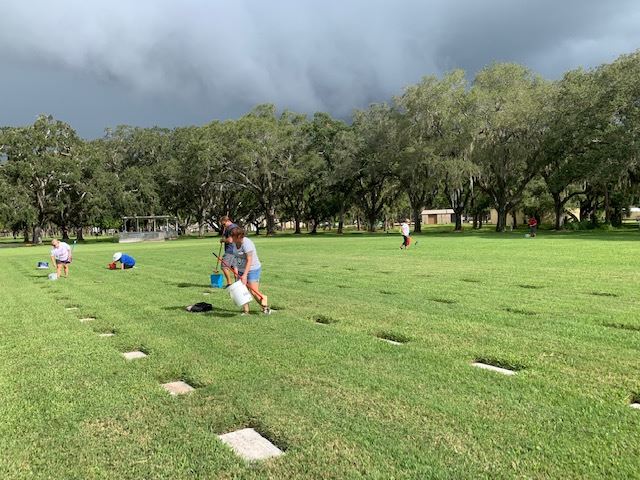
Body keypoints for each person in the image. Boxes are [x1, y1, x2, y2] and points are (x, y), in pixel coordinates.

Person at [230, 227, 270, 315]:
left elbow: (249, 260)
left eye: (233, 236)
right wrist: (236, 271)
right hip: (240, 269)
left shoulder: (247, 244)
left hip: (252, 268)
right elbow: (235, 258)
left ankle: (265, 307)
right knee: (241, 290)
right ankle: (246, 311)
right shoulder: (234, 243)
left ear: (239, 236)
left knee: (253, 291)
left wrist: (244, 275)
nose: (231, 238)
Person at [219, 216, 238, 287]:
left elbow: (230, 240)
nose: (223, 226)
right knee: (234, 266)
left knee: (224, 266)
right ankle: (238, 283)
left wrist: (223, 240)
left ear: (227, 221)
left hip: (230, 250)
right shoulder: (236, 226)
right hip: (237, 249)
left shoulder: (230, 228)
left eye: (224, 224)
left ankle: (229, 284)